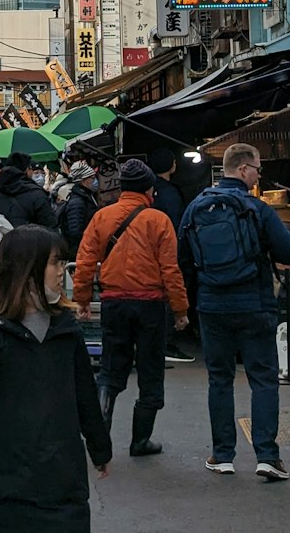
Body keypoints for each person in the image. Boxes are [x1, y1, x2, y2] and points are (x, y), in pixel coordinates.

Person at [0, 225, 111, 533]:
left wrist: (100, 449)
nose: (63, 271)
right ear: (27, 268)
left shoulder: (65, 328)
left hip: (61, 485)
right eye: (55, 262)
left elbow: (84, 394)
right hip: (0, 488)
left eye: (63, 262)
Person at [178, 142, 290, 480]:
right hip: (254, 303)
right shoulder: (257, 208)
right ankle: (267, 456)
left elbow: (182, 259)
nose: (259, 174)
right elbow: (289, 250)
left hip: (212, 306)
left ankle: (222, 455)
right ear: (244, 169)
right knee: (262, 379)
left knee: (219, 379)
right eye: (258, 169)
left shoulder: (195, 208)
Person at [73, 159, 188, 457]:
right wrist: (180, 310)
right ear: (150, 189)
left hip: (114, 302)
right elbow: (170, 270)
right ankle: (140, 441)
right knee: (151, 372)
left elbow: (85, 263)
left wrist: (82, 300)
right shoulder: (159, 220)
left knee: (110, 371)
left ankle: (100, 438)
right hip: (150, 304)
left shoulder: (101, 217)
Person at [148, 147, 195, 365]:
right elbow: (179, 224)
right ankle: (167, 342)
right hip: (169, 250)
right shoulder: (171, 193)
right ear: (171, 165)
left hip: (150, 251)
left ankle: (159, 341)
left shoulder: (148, 191)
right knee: (169, 293)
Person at [0, 154, 56, 229]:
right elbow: (50, 226)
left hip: (3, 242)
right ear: (27, 170)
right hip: (32, 240)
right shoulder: (38, 194)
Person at [58, 162, 99, 260]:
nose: (95, 181)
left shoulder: (86, 197)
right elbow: (75, 231)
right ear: (83, 180)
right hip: (80, 253)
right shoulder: (77, 202)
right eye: (92, 178)